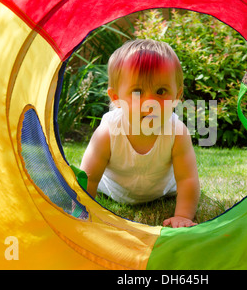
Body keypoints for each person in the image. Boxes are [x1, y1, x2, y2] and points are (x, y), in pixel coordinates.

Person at [80, 39, 200, 228]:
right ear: (116, 98)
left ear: (177, 96)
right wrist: (82, 210)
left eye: (161, 91)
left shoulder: (177, 132)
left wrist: (183, 215)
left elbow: (187, 179)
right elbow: (89, 177)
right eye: (137, 92)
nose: (149, 102)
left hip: (162, 192)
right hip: (113, 191)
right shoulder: (108, 132)